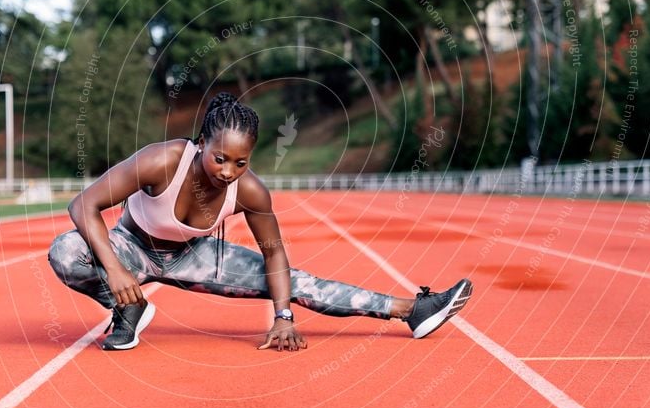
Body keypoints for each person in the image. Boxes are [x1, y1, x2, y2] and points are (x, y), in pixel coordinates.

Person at [48, 92, 472, 351]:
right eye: (219, 158)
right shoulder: (162, 160)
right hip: (132, 247)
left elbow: (275, 253)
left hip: (195, 257)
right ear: (201, 144)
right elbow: (83, 205)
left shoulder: (249, 192)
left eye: (240, 162)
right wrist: (118, 270)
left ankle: (412, 309)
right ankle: (128, 309)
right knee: (66, 252)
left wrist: (283, 316)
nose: (228, 171)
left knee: (294, 280)